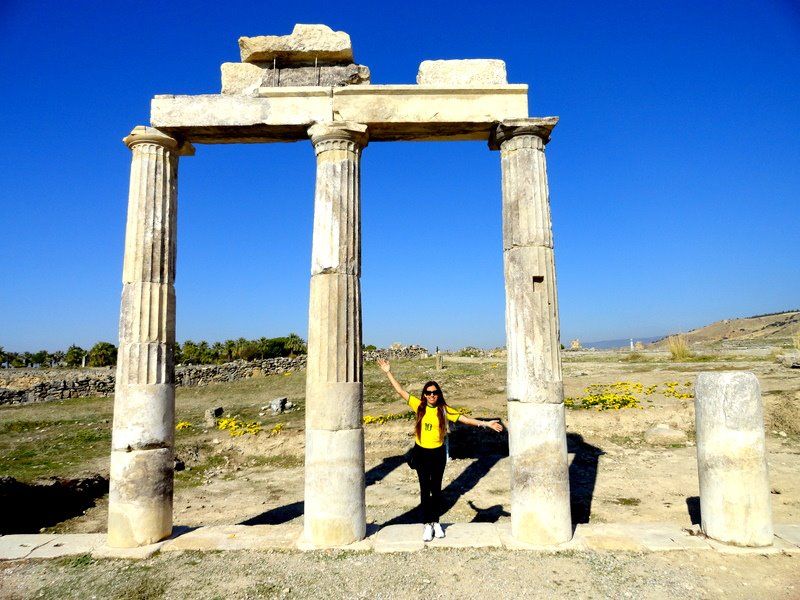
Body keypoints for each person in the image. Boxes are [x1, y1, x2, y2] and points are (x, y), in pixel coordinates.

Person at [377, 358, 504, 542]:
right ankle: (427, 524)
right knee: (425, 489)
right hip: (421, 453)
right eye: (428, 393)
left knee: (436, 490)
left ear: (439, 394)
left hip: (437, 454)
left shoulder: (444, 410)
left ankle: (436, 522)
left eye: (435, 392)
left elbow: (465, 419)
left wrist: (486, 424)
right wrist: (388, 372)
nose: (432, 395)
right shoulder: (419, 406)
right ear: (424, 395)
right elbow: (400, 391)